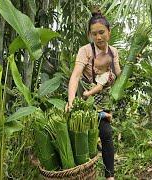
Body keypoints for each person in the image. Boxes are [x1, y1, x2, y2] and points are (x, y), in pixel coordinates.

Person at [66, 9, 121, 180]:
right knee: (79, 133)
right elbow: (75, 75)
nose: (98, 37)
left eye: (102, 32)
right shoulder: (85, 50)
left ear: (109, 32)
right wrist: (71, 100)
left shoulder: (114, 52)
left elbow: (119, 74)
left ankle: (109, 176)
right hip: (84, 97)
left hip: (103, 98)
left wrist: (130, 67)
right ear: (90, 35)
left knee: (106, 134)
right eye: (94, 34)